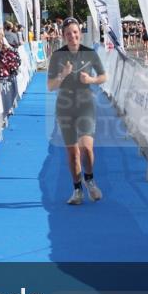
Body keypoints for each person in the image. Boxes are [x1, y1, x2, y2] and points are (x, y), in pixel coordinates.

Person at [48, 17, 107, 206]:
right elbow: (50, 86)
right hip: (65, 108)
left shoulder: (90, 53)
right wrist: (63, 75)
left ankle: (89, 179)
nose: (72, 36)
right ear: (64, 36)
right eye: (68, 34)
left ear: (79, 33)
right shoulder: (57, 56)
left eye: (75, 32)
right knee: (73, 153)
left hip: (85, 105)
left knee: (87, 148)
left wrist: (90, 80)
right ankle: (77, 190)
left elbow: (103, 76)